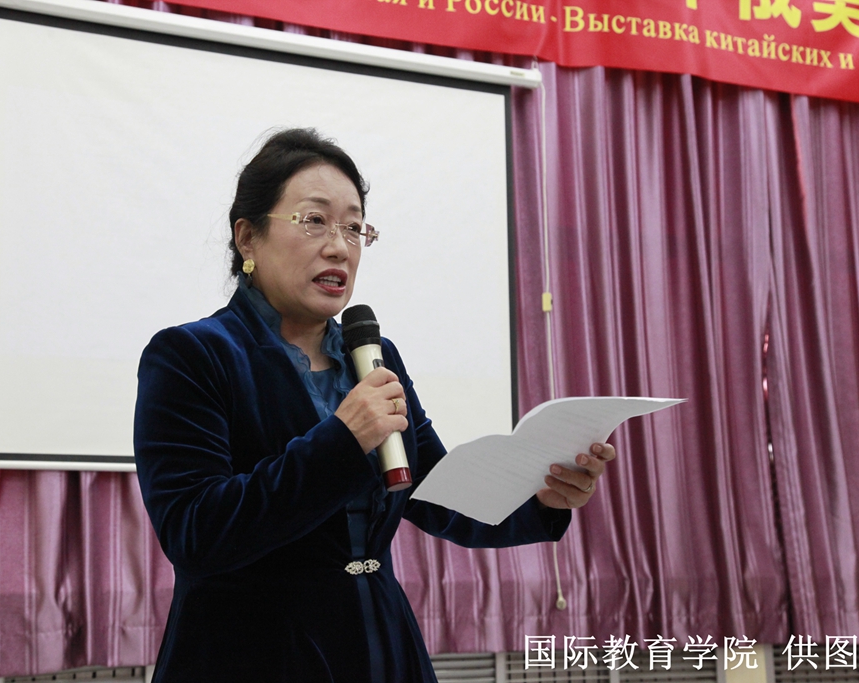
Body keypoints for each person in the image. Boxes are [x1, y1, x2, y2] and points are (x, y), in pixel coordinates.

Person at [133, 128, 616, 683]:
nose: (340, 246)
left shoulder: (373, 356)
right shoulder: (192, 355)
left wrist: (542, 495)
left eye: (354, 227)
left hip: (381, 647)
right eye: (314, 220)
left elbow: (438, 498)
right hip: (251, 653)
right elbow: (196, 534)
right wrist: (341, 441)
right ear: (248, 238)